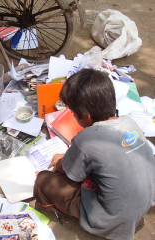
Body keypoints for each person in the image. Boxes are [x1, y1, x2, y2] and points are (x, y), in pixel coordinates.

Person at [34, 69, 155, 240]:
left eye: (74, 113)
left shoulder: (87, 139)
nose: (74, 117)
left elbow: (67, 173)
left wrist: (60, 164)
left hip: (113, 220)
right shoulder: (130, 122)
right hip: (145, 203)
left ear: (86, 115)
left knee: (42, 182)